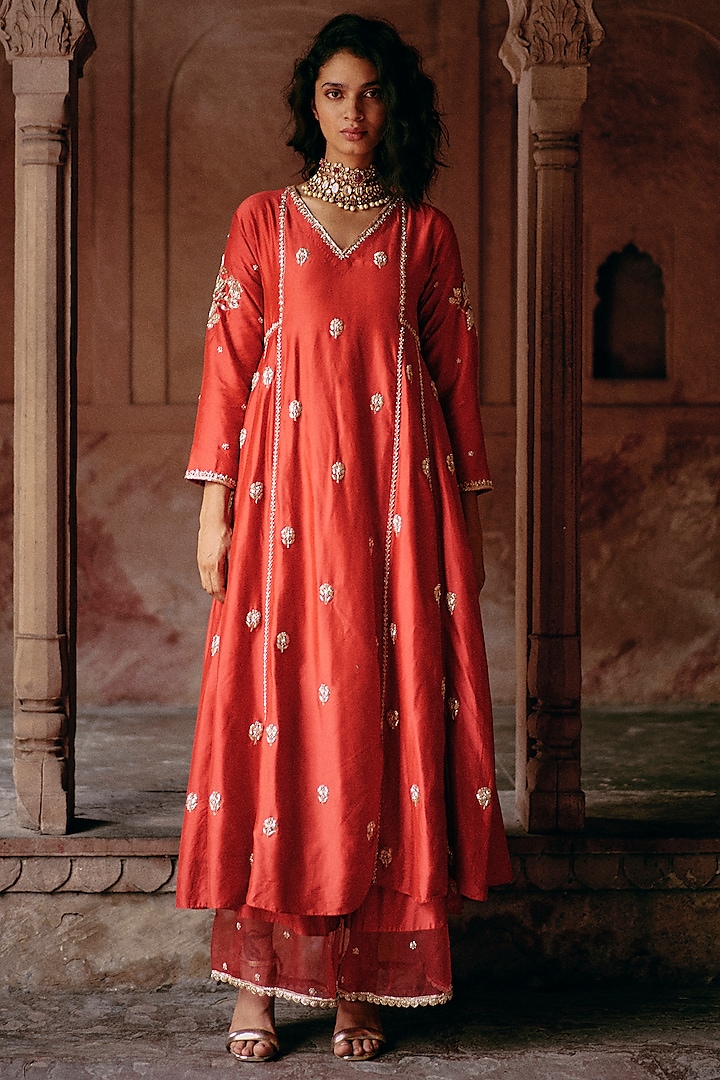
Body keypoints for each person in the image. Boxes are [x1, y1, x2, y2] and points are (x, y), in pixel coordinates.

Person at [176, 12, 512, 1064]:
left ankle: (362, 983)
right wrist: (214, 505)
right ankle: (260, 988)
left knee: (377, 723)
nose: (353, 113)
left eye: (369, 93)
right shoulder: (264, 222)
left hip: (393, 520)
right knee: (277, 726)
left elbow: (453, 377)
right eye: (334, 93)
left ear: (392, 105)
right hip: (282, 516)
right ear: (309, 105)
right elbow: (230, 364)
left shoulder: (425, 232)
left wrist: (467, 517)